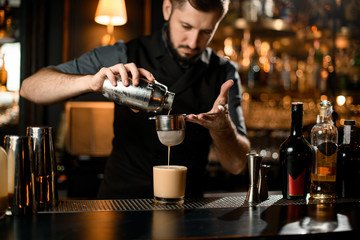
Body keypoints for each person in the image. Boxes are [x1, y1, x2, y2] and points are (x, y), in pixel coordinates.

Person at [20, 0, 251, 199]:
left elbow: (237, 165)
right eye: (186, 26)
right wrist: (91, 82)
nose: (192, 42)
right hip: (119, 201)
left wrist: (222, 128)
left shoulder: (224, 74)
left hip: (187, 206)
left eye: (205, 32)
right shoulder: (123, 53)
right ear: (167, 8)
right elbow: (29, 88)